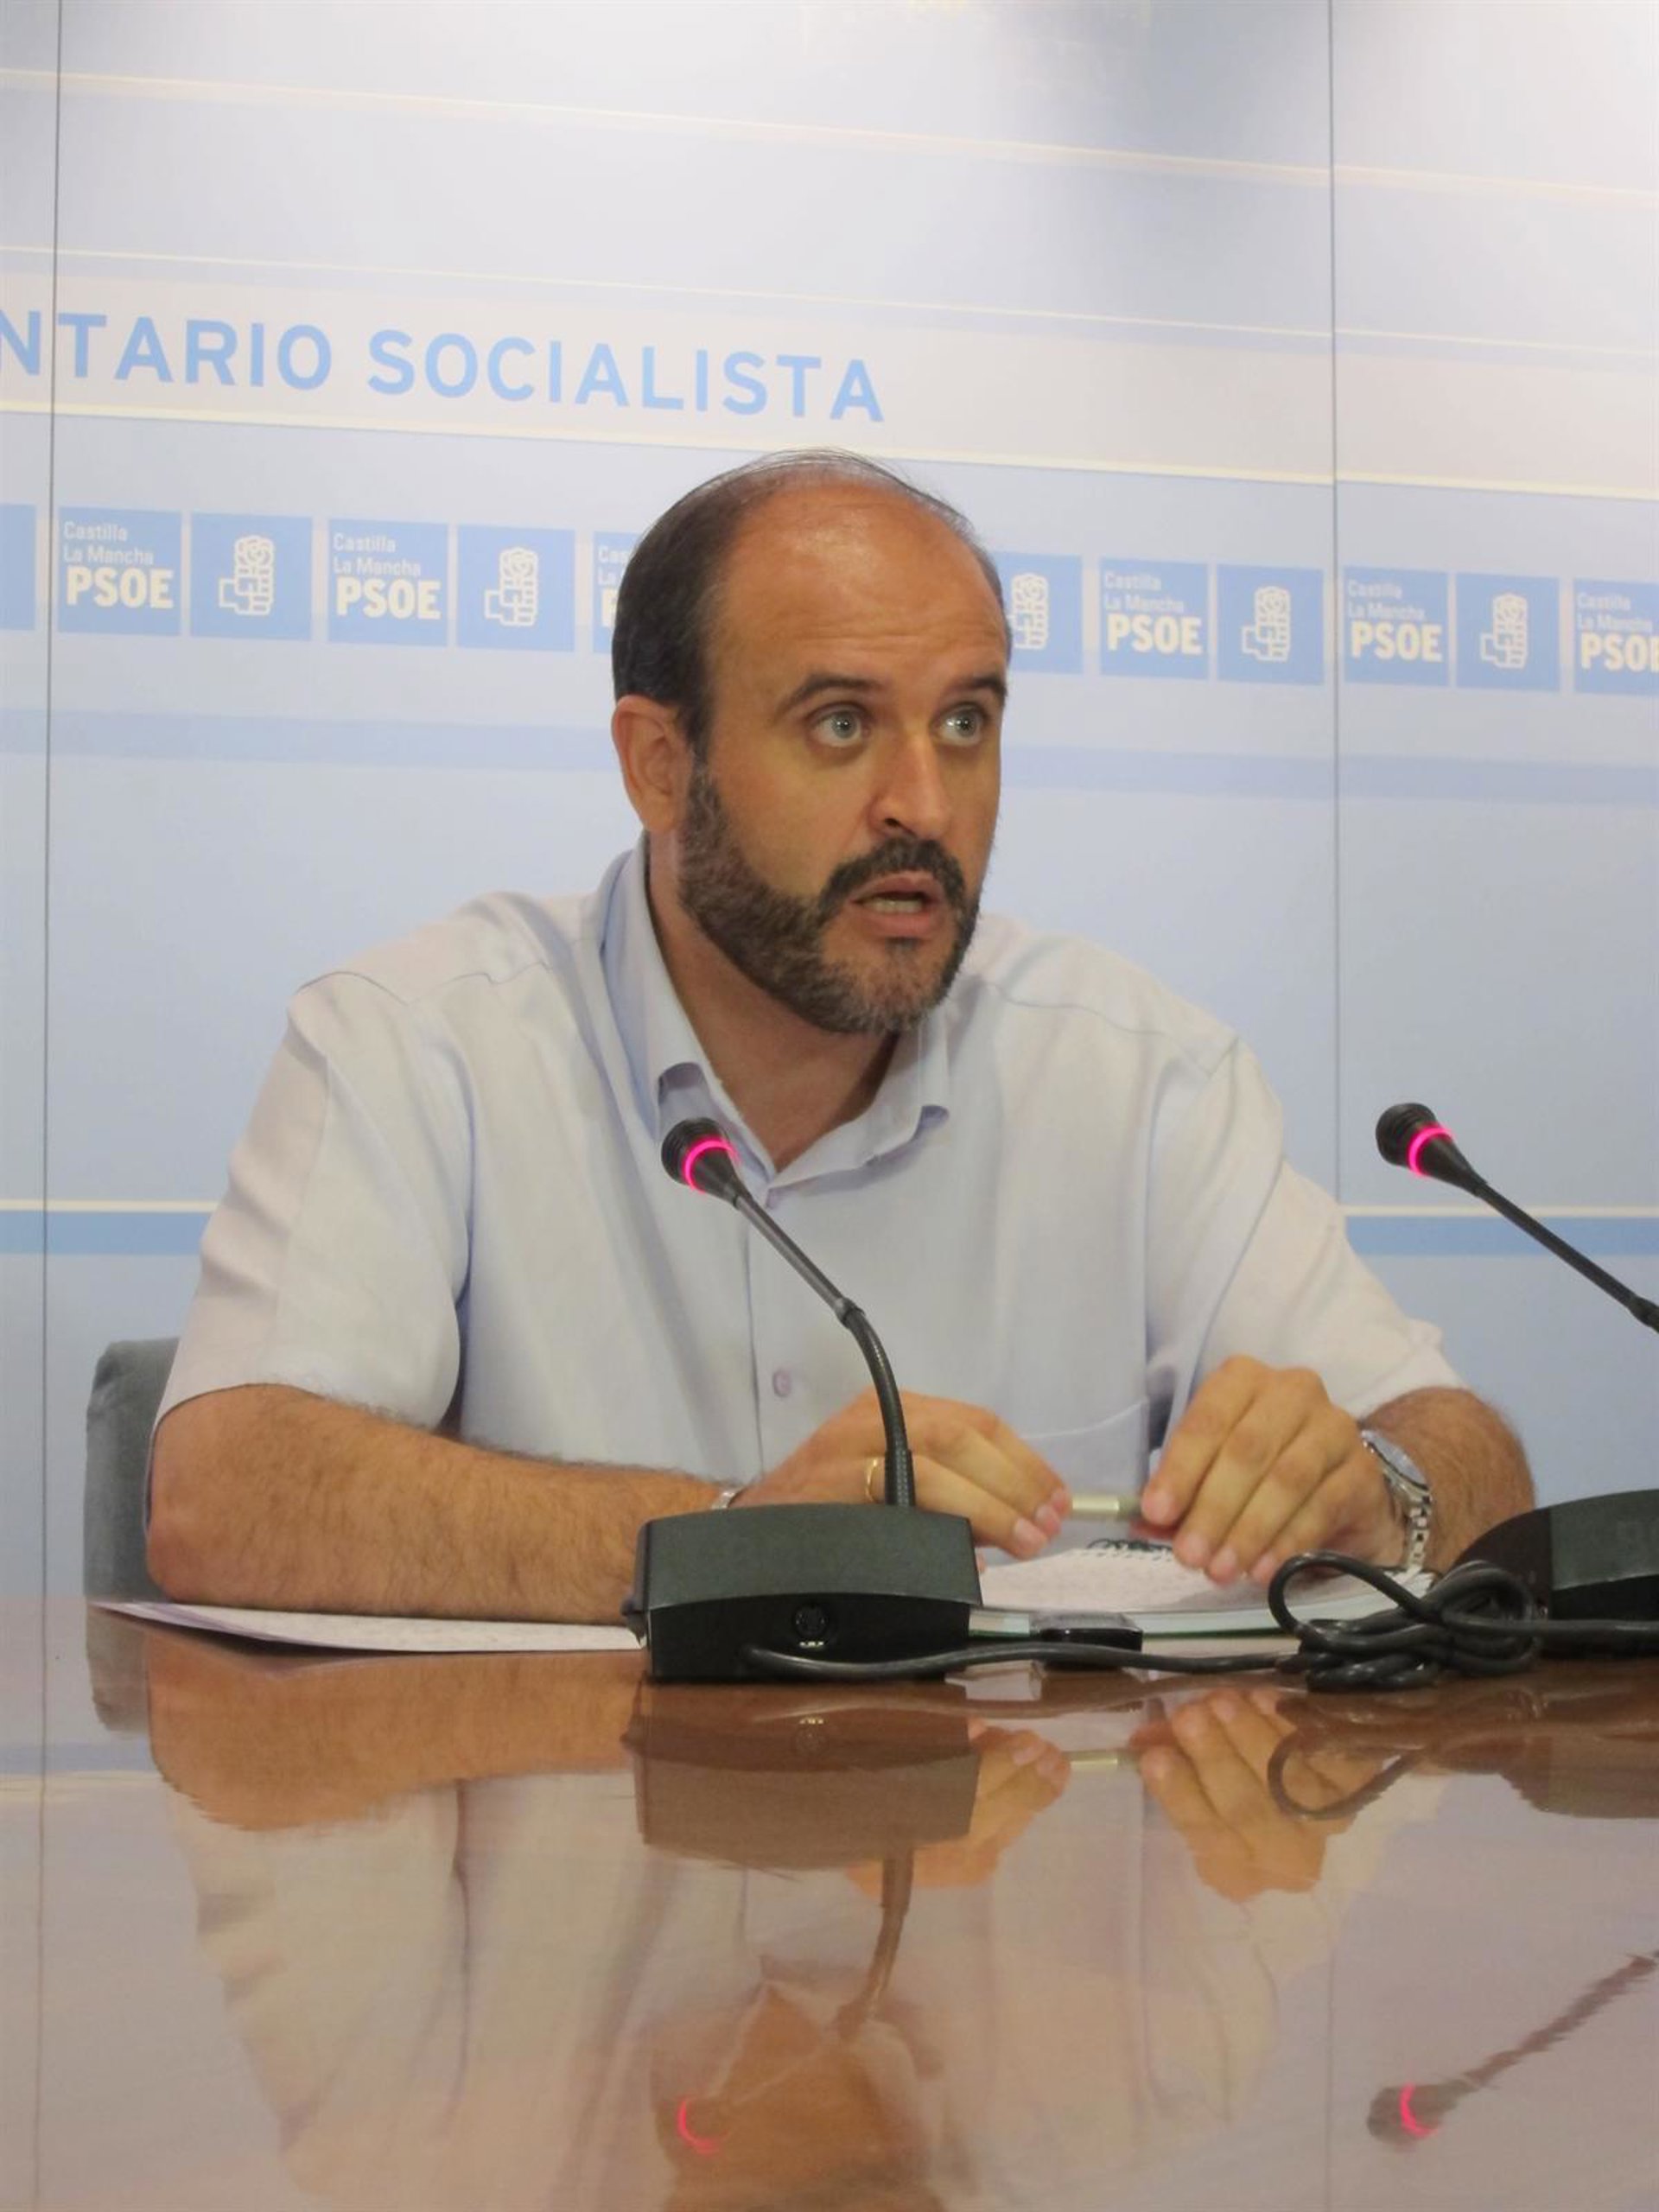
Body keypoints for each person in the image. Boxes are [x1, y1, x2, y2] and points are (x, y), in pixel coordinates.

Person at [148, 451, 1531, 1622]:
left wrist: (1378, 1492)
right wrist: (730, 1543)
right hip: (583, 1844)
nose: (922, 802)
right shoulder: (422, 1045)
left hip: (1019, 1845)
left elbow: (1470, 1463)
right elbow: (226, 1498)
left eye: (966, 722)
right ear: (658, 764)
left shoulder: (1139, 1078)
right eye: (840, 724)